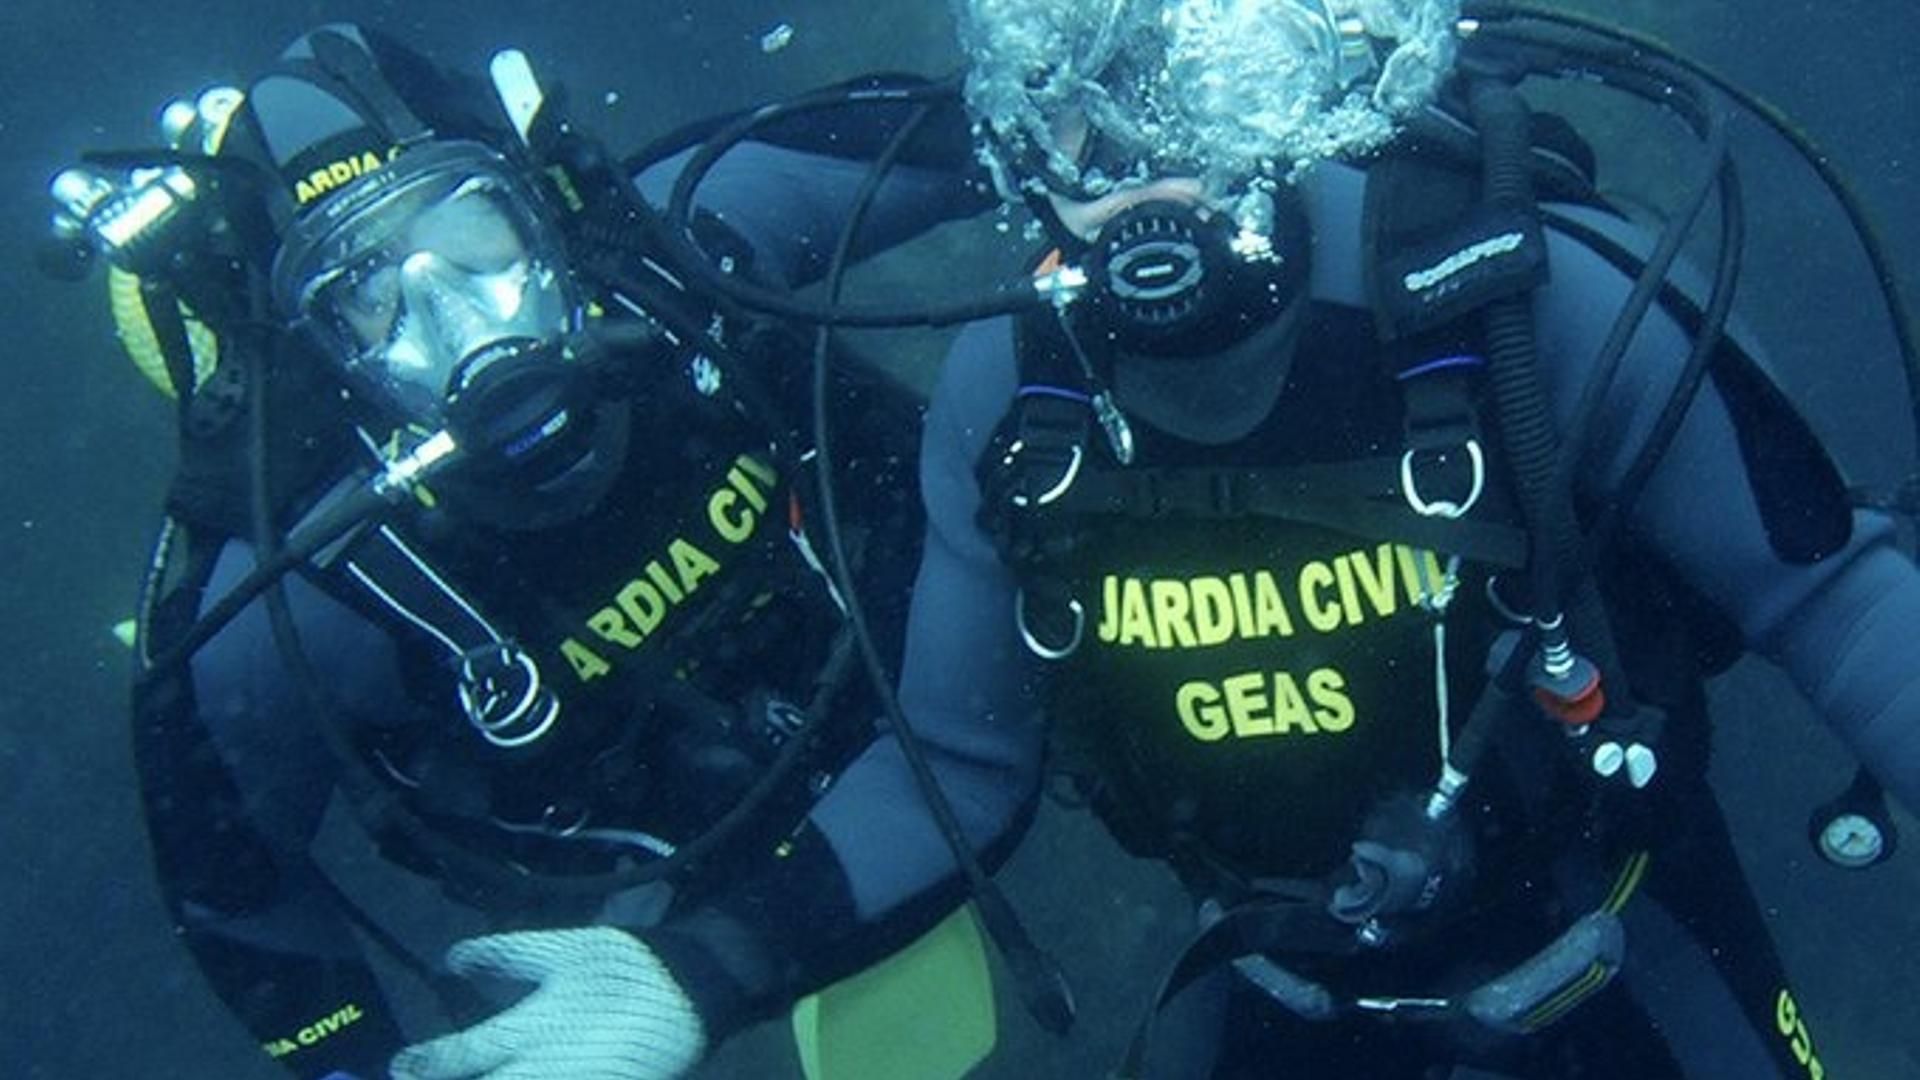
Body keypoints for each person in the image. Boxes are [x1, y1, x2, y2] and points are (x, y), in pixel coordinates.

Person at [743, 1, 1920, 1077]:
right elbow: (955, 765)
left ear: (1275, 100)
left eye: (1184, 125)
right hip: (1275, 986)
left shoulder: (1519, 298)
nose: (1144, 187)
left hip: (1618, 937)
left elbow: (1833, 602)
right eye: (1087, 140)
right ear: (1011, 144)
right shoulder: (1007, 396)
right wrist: (688, 971)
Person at [50, 23, 997, 1080]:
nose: (456, 317)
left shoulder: (673, 246)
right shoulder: (294, 590)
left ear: (543, 208)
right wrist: (361, 1064)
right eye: (370, 293)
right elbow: (230, 888)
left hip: (937, 684)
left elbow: (987, 132)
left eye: (472, 233)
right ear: (320, 355)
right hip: (653, 899)